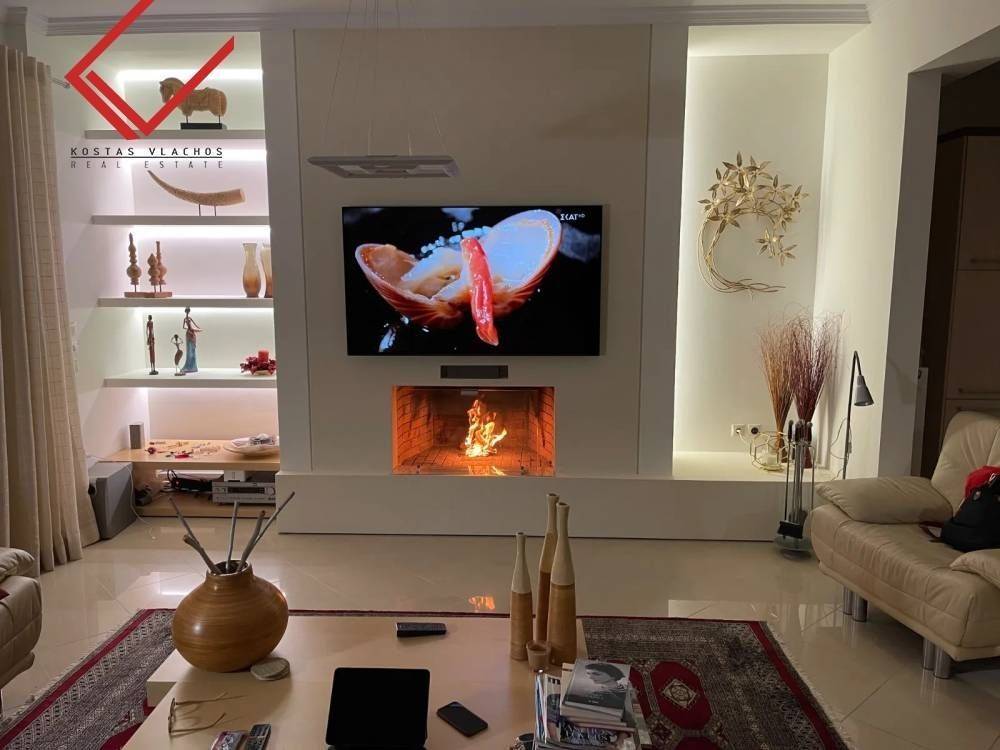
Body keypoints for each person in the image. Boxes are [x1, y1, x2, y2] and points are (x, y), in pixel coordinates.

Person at [179, 307, 203, 374]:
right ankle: (189, 366)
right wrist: (196, 330)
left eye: (188, 312)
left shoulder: (189, 318)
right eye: (187, 312)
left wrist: (197, 328)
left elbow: (194, 325)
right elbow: (185, 327)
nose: (187, 313)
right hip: (189, 333)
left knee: (192, 349)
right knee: (189, 350)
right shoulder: (186, 319)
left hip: (191, 333)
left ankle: (192, 367)